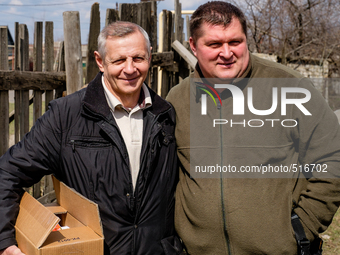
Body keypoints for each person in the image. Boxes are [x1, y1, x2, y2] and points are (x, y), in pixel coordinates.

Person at [166, 1, 340, 254]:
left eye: (235, 42)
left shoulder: (291, 88)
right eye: (214, 44)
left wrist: (301, 228)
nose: (226, 53)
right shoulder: (178, 99)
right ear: (193, 46)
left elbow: (331, 158)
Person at [0, 21, 181, 255]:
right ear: (100, 61)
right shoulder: (67, 116)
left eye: (138, 58)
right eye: (118, 60)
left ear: (149, 57)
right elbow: (7, 173)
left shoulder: (165, 114)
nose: (130, 69)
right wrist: (5, 242)